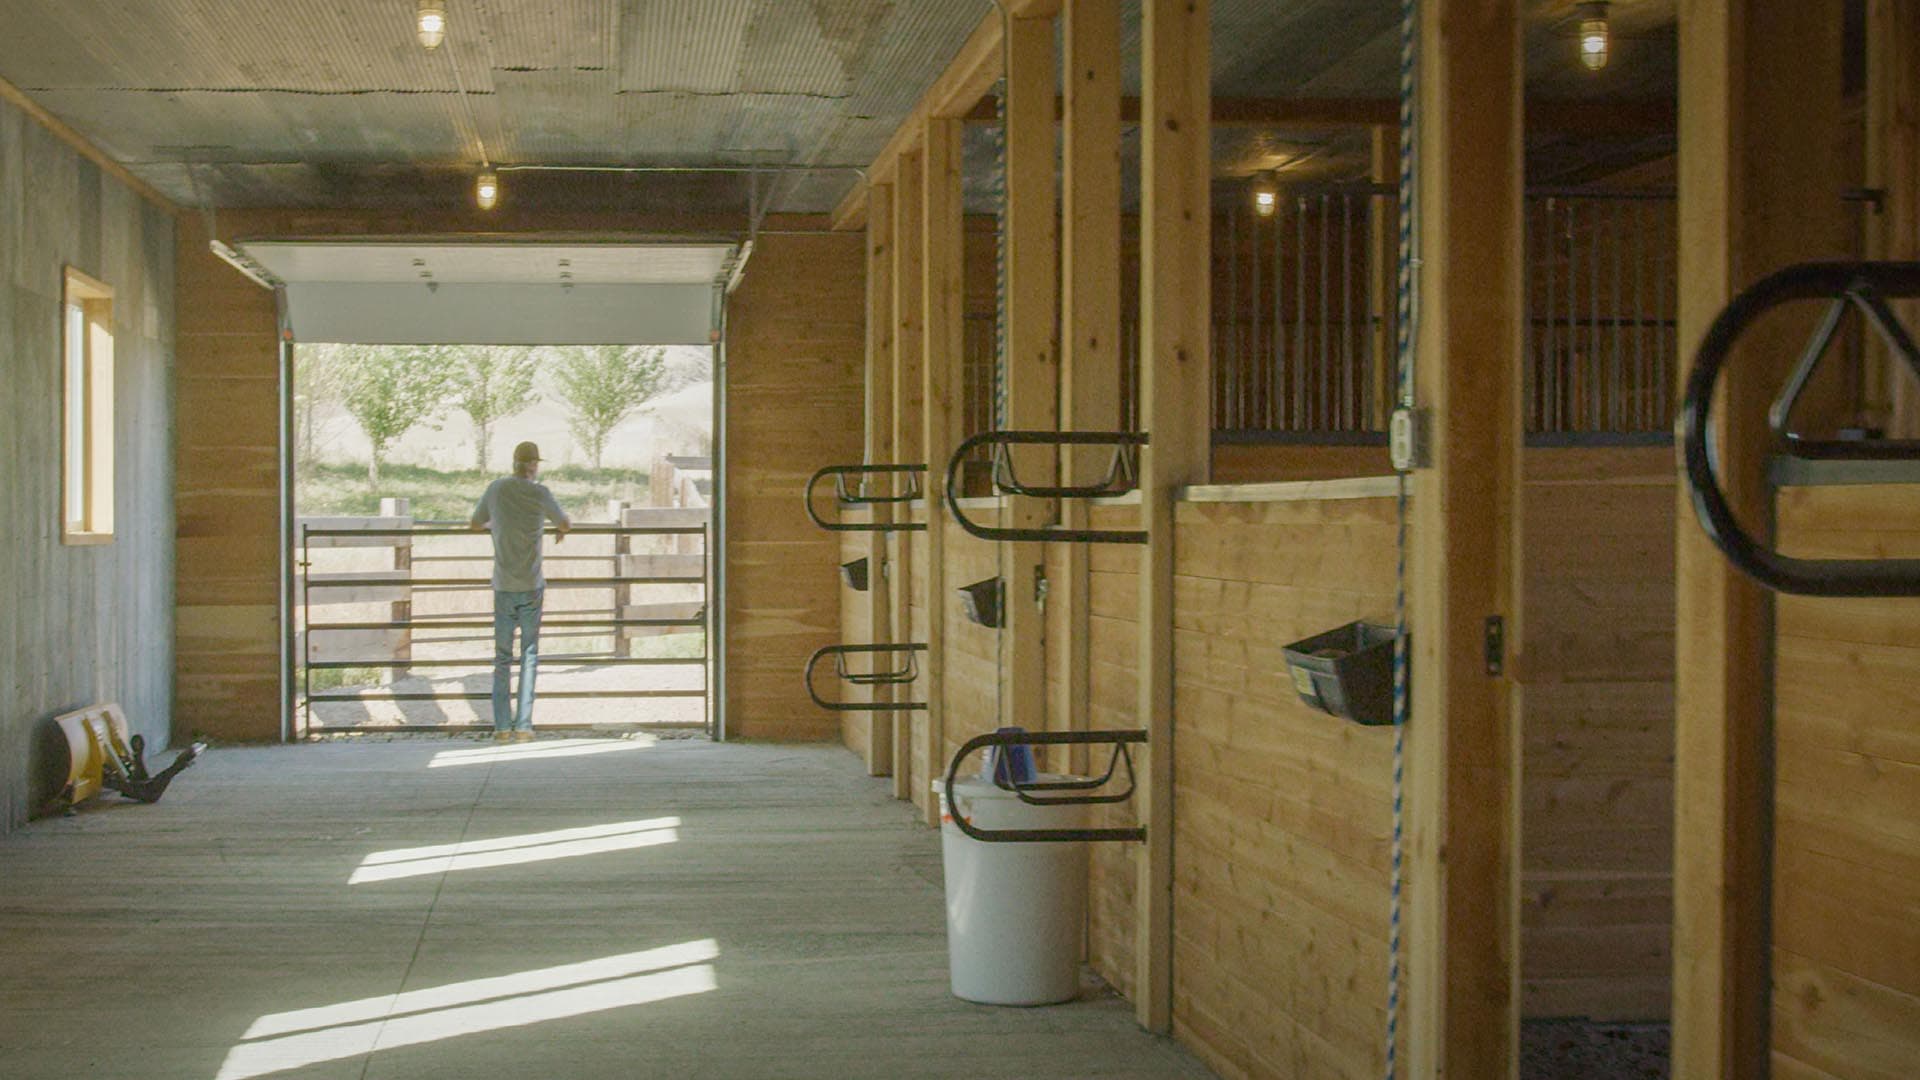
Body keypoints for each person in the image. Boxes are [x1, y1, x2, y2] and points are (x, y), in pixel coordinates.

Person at [471, 441, 571, 742]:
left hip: (503, 584)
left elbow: (475, 522)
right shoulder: (540, 494)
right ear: (533, 466)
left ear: (514, 463)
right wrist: (557, 531)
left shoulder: (496, 489)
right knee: (529, 654)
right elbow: (564, 523)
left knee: (502, 657)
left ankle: (502, 725)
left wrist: (497, 524)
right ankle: (524, 725)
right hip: (531, 585)